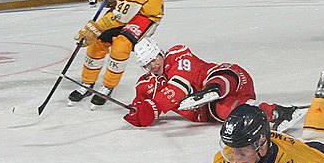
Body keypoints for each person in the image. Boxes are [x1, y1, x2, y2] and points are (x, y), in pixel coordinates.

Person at [123, 38, 295, 129]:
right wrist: (138, 112)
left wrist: (155, 106)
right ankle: (277, 113)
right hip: (209, 111)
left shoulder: (178, 54)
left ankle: (213, 89)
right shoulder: (146, 84)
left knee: (218, 79)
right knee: (223, 108)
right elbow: (142, 104)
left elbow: (178, 88)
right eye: (147, 64)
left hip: (233, 80)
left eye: (154, 59)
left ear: (160, 53)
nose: (153, 65)